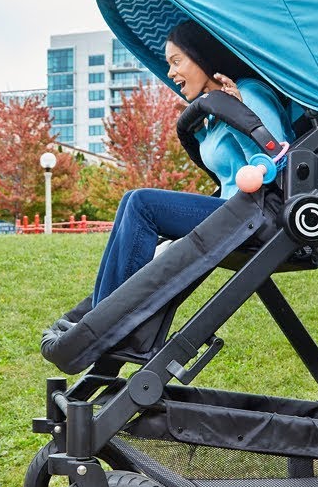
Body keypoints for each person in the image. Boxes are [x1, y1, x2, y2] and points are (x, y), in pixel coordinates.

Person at [92, 20, 295, 306]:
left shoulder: (248, 93)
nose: (171, 72)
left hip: (257, 215)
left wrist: (239, 113)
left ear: (202, 56)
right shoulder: (214, 109)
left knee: (142, 204)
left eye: (177, 61)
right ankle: (98, 310)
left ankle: (112, 316)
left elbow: (279, 158)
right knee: (129, 200)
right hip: (230, 208)